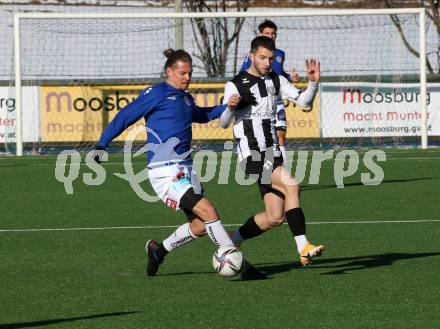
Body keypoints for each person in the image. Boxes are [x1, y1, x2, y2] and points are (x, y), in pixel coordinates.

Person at [94, 49, 258, 278]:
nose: (187, 78)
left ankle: (157, 251)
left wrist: (230, 106)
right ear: (169, 71)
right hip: (165, 170)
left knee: (200, 226)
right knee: (209, 210)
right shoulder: (157, 93)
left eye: (190, 73)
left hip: (186, 168)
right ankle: (242, 266)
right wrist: (102, 144)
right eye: (183, 73)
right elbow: (126, 116)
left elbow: (202, 114)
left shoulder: (185, 97)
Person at [221, 36, 324, 266]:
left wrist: (313, 84)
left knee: (275, 216)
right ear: (251, 56)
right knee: (292, 186)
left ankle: (232, 240)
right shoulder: (235, 84)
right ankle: (303, 247)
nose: (267, 63)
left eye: (270, 58)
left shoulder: (276, 80)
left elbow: (304, 102)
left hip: (272, 154)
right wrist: (230, 107)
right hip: (253, 155)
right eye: (262, 58)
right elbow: (223, 123)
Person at [240, 19, 299, 161]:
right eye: (267, 33)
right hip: (261, 101)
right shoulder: (253, 55)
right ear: (260, 34)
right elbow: (243, 74)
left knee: (280, 136)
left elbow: (280, 75)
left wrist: (290, 77)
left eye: (273, 34)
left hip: (277, 101)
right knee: (266, 141)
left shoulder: (280, 54)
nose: (271, 36)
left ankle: (283, 173)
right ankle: (269, 172)